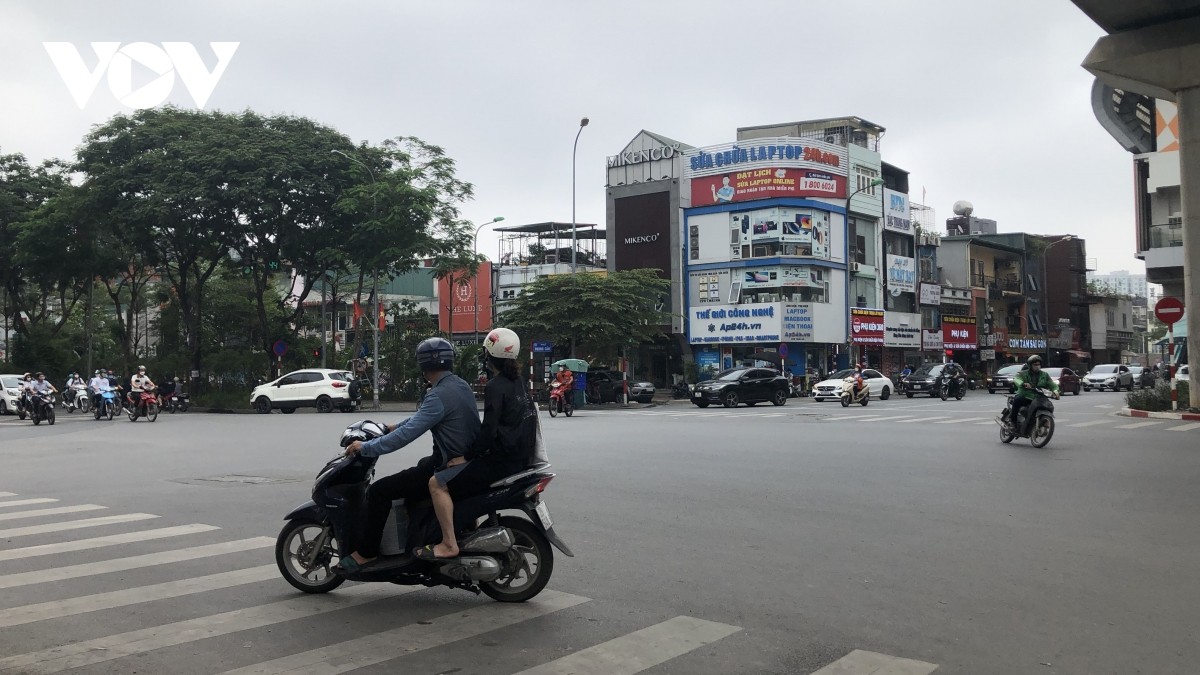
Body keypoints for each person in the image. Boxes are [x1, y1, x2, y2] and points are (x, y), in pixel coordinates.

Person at [334, 337, 481, 573]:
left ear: (423, 366)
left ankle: (366, 554)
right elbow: (421, 418)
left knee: (380, 491)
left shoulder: (438, 395)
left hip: (450, 465)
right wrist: (394, 425)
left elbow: (407, 435)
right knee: (420, 469)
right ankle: (418, 536)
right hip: (460, 460)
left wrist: (366, 447)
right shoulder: (459, 385)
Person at [416, 327, 540, 561]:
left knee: (437, 483)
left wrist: (468, 456)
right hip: (520, 460)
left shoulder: (495, 385)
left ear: (489, 355)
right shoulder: (519, 382)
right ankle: (467, 531)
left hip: (500, 462)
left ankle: (449, 544)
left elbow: (489, 430)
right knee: (459, 482)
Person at [1007, 355, 1060, 430]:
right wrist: (1023, 384)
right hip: (1025, 396)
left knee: (1048, 405)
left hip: (1039, 398)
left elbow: (1052, 385)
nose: (1037, 366)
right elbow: (1017, 379)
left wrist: (1055, 391)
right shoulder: (1023, 374)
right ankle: (1012, 421)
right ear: (1030, 365)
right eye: (1035, 364)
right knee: (1017, 399)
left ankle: (1043, 420)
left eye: (1038, 364)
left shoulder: (1045, 375)